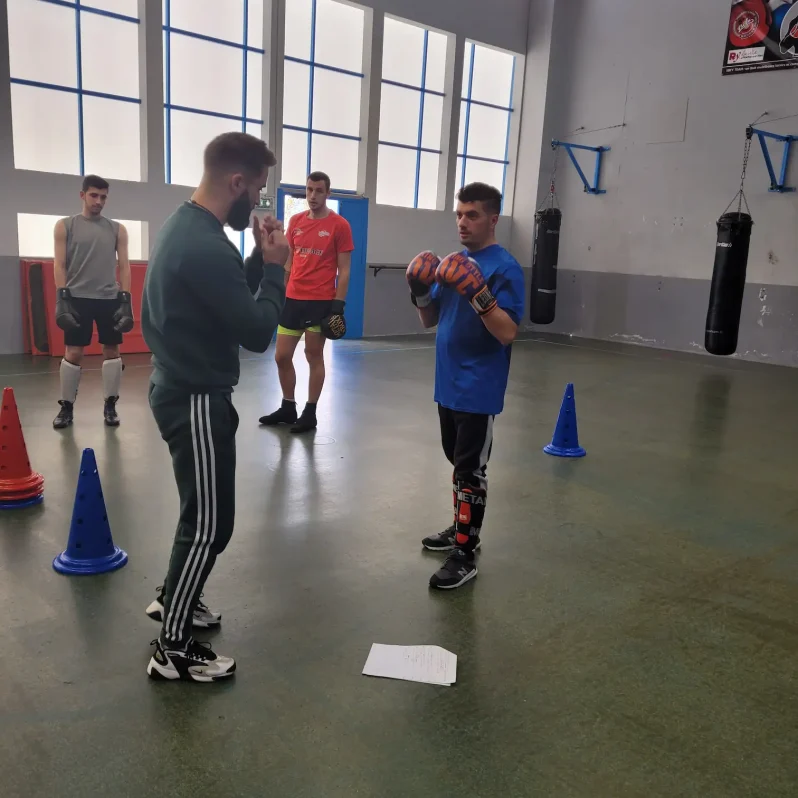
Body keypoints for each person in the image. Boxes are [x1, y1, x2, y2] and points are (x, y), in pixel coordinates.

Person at [141, 132, 289, 682]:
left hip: (183, 387)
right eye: (257, 190)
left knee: (201, 516)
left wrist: (256, 257)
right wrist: (276, 269)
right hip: (196, 398)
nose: (259, 201)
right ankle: (172, 648)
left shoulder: (188, 227)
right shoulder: (203, 242)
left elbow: (223, 300)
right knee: (209, 525)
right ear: (237, 183)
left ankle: (175, 595)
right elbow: (253, 331)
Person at [406, 182, 525, 590]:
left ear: (492, 219)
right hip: (448, 382)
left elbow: (507, 332)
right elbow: (429, 320)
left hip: (479, 386)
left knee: (470, 470)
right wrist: (419, 291)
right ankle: (459, 527)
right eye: (459, 213)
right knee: (456, 464)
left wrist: (480, 295)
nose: (462, 221)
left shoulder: (504, 268)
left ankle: (465, 553)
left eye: (471, 214)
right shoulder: (452, 262)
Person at [258, 171, 354, 433]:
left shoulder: (340, 226)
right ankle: (288, 407)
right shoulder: (297, 221)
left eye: (319, 190)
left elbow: (344, 270)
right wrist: (280, 289)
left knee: (313, 355)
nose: (313, 195)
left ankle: (309, 413)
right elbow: (289, 261)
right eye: (309, 190)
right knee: (281, 356)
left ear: (328, 193)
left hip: (320, 301)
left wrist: (338, 304)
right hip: (292, 299)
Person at [52, 175, 134, 429]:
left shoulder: (117, 229)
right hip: (77, 298)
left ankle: (110, 405)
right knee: (74, 353)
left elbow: (124, 265)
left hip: (109, 298)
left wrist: (126, 300)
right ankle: (66, 407)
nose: (99, 201)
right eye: (94, 195)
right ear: (83, 195)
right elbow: (59, 263)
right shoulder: (65, 226)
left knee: (112, 351)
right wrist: (62, 297)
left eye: (103, 197)